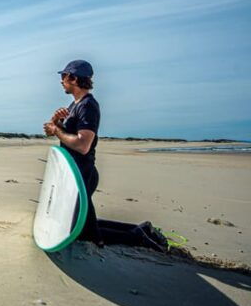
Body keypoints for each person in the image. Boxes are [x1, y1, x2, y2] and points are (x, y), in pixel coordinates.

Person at [43, 61, 166, 250]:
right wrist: (56, 122)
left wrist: (56, 130)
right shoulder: (74, 105)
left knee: (84, 232)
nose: (61, 81)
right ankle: (141, 229)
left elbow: (83, 145)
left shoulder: (88, 106)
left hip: (83, 174)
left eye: (64, 76)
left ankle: (139, 237)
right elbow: (53, 133)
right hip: (73, 173)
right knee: (82, 222)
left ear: (74, 78)